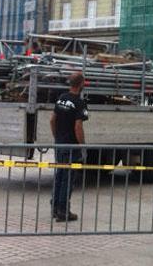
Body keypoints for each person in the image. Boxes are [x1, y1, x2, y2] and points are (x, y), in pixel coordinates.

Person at [49, 72, 88, 222]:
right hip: (72, 146)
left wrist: (57, 138)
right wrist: (82, 146)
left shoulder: (62, 98)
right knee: (68, 178)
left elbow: (52, 120)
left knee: (59, 175)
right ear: (81, 84)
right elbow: (78, 126)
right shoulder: (79, 103)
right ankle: (63, 211)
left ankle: (55, 207)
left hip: (60, 144)